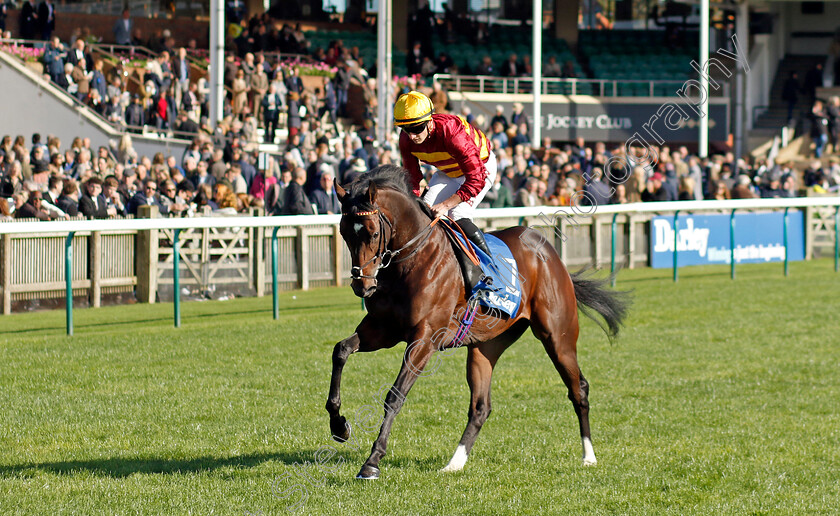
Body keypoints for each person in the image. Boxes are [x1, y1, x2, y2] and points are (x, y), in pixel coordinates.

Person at [394, 90, 496, 259]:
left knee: (457, 214)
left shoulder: (451, 132)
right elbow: (412, 178)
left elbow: (476, 179)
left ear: (429, 121)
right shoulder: (406, 140)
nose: (412, 136)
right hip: (449, 171)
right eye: (405, 129)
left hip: (481, 168)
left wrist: (446, 205)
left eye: (416, 128)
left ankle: (489, 265)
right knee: (423, 213)